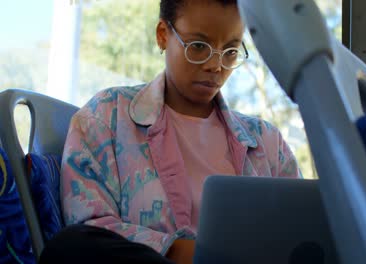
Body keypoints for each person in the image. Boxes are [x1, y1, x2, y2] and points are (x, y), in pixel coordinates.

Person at [39, 0, 301, 263]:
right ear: (163, 35)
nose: (215, 65)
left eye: (231, 51)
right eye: (198, 47)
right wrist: (193, 254)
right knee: (70, 246)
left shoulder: (267, 144)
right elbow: (90, 230)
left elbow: (301, 234)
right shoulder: (105, 117)